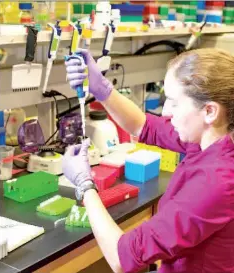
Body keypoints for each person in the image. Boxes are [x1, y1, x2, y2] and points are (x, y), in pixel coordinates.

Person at [63, 48, 234, 273]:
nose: (165, 111)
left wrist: (85, 184)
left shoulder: (218, 182)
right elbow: (144, 126)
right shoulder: (209, 139)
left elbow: (122, 258)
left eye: (174, 102)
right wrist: (101, 88)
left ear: (210, 111)